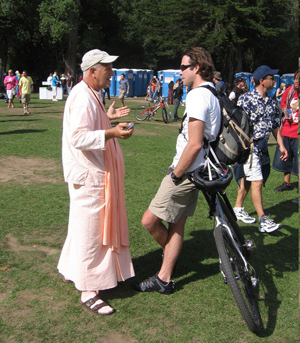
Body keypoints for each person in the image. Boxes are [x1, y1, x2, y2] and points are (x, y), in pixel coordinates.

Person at [134, 47, 221, 294]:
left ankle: (167, 266)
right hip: (198, 172)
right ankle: (166, 275)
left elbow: (194, 144)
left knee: (149, 220)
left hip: (186, 172)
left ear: (196, 68)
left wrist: (175, 174)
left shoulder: (197, 96)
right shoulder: (212, 92)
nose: (180, 72)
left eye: (183, 67)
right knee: (177, 227)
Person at [57, 49, 135, 315]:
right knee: (91, 233)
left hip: (90, 175)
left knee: (82, 229)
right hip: (89, 176)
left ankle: (71, 270)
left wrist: (107, 118)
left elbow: (89, 127)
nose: (111, 73)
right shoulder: (82, 97)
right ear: (92, 71)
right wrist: (112, 132)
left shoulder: (91, 94)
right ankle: (89, 290)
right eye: (107, 68)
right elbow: (79, 138)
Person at [232, 65, 288, 233]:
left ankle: (237, 209)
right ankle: (263, 219)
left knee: (249, 180)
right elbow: (237, 126)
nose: (274, 80)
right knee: (257, 181)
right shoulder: (246, 99)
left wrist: (282, 145)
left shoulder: (272, 102)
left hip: (263, 148)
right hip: (249, 148)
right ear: (262, 81)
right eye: (271, 78)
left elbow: (275, 127)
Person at [273, 70, 299, 194]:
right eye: (295, 79)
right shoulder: (289, 91)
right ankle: (286, 182)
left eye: (298, 79)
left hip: (297, 132)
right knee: (285, 158)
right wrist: (287, 112)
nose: (296, 81)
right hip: (287, 129)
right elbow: (283, 103)